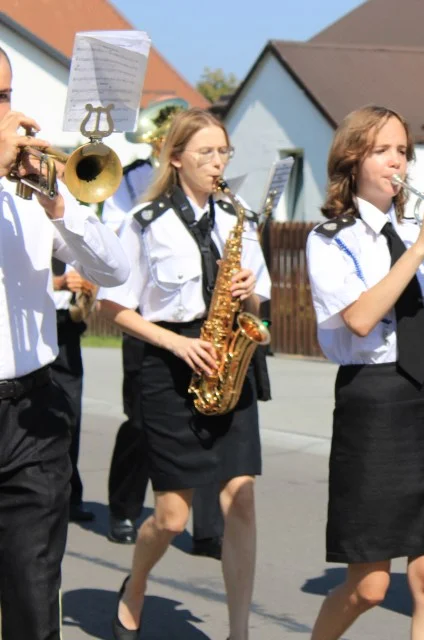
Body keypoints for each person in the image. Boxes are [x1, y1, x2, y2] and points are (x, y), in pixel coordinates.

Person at [306, 105, 424, 640]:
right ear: (353, 158)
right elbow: (359, 318)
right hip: (374, 404)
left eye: (402, 150)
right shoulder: (331, 237)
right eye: (383, 149)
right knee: (370, 587)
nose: (397, 160)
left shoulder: (418, 232)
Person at [97, 108, 269, 640]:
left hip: (228, 363)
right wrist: (176, 342)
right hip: (169, 367)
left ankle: (238, 630)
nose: (218, 163)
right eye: (206, 153)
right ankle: (138, 582)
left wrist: (250, 292)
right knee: (172, 517)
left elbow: (260, 303)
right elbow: (111, 307)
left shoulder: (237, 221)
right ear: (176, 159)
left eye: (224, 153)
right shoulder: (142, 224)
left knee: (239, 497)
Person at [0, 45, 130, 640]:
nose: (8, 113)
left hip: (32, 410)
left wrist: (60, 204)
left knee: (33, 592)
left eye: (3, 96)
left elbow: (114, 270)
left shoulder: (26, 196)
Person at [101, 97, 225, 556]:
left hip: (209, 338)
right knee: (139, 423)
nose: (214, 162)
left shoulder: (225, 206)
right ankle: (124, 507)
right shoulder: (130, 184)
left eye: (220, 152)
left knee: (214, 431)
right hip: (152, 325)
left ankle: (210, 528)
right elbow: (114, 242)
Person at [50, 258, 98, 523]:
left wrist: (89, 292)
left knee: (70, 417)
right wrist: (57, 283)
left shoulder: (70, 235)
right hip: (29, 326)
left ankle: (69, 496)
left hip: (66, 329)